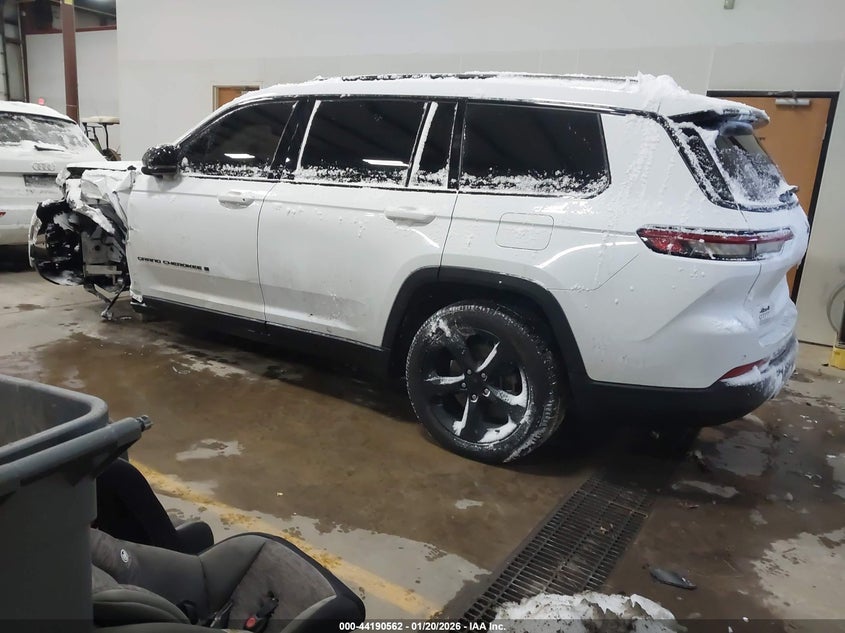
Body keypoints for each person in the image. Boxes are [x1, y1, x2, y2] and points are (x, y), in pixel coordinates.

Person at [95, 458, 212, 554]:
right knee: (203, 531)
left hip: (110, 549)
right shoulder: (114, 471)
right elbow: (169, 544)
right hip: (149, 558)